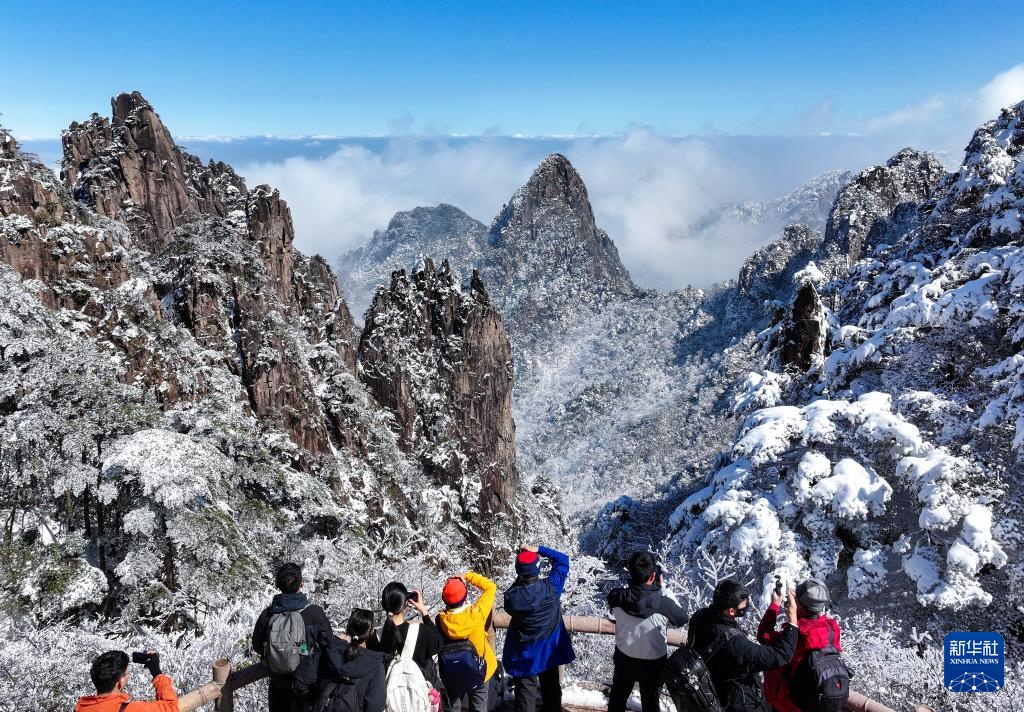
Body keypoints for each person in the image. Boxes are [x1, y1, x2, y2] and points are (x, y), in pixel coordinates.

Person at [686, 579, 798, 712]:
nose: (746, 609)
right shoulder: (735, 644)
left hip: (714, 690)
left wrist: (775, 604)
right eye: (743, 608)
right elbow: (781, 655)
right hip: (738, 703)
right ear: (732, 612)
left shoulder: (700, 616)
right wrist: (792, 621)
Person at [607, 552, 690, 712]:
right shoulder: (664, 603)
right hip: (654, 662)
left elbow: (624, 598)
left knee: (617, 698)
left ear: (630, 573)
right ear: (653, 576)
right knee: (651, 704)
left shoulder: (617, 597)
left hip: (624, 658)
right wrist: (663, 589)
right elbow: (682, 618)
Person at [502, 544, 575, 712]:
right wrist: (539, 549)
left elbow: (513, 591)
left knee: (525, 694)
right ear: (538, 568)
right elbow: (562, 559)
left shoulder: (512, 599)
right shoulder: (552, 588)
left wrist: (522, 571)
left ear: (519, 573)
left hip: (524, 654)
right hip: (549, 650)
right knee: (551, 688)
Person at [253, 562, 334, 712]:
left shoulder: (267, 615)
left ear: (278, 585)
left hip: (278, 686)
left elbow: (257, 647)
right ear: (301, 584)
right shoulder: (314, 613)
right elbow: (329, 644)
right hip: (307, 689)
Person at [758, 578, 844, 712]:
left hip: (786, 704)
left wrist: (775, 605)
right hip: (810, 702)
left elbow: (764, 635)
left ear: (798, 606)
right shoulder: (832, 628)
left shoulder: (795, 635)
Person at [294, 608, 387, 712]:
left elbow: (300, 681)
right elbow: (375, 705)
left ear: (348, 628)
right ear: (371, 632)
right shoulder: (375, 664)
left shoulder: (329, 650)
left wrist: (315, 701)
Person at [436, 572, 498, 712]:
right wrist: (468, 576)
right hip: (480, 670)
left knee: (454, 706)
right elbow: (490, 587)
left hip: (452, 672)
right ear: (465, 596)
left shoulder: (441, 620)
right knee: (479, 706)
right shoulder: (476, 614)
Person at [368, 581, 444, 689]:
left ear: (384, 605)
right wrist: (424, 611)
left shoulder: (374, 637)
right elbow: (439, 644)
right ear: (406, 604)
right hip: (415, 698)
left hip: (388, 699)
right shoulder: (420, 632)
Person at [75, 650, 178, 712]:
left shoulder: (80, 707)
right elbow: (171, 707)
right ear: (120, 682)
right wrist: (156, 672)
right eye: (128, 672)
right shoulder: (132, 709)